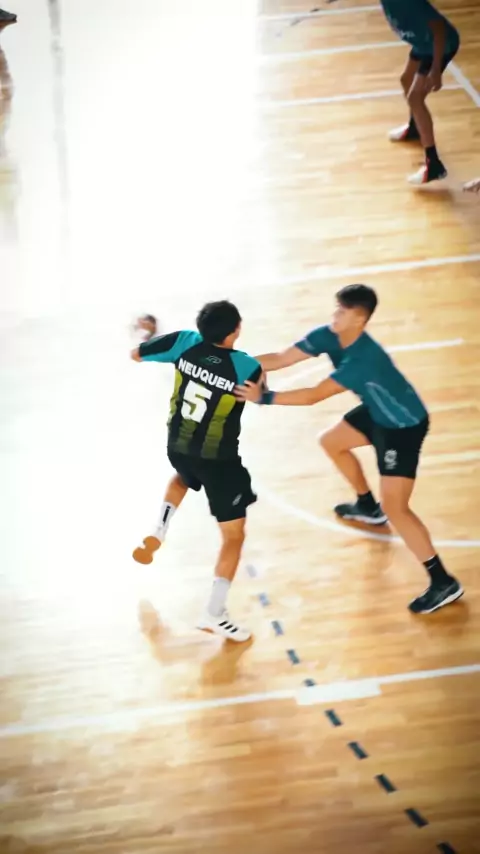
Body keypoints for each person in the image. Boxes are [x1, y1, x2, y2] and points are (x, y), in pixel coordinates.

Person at [235, 284, 464, 615]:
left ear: (359, 319)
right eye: (336, 308)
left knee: (397, 508)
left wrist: (265, 398)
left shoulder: (364, 360)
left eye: (342, 312)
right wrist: (231, 365)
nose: (335, 316)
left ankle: (443, 582)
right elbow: (283, 358)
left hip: (402, 427)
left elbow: (314, 395)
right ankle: (368, 507)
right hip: (376, 412)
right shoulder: (329, 335)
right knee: (332, 441)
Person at [130, 301, 262, 642]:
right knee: (234, 537)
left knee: (184, 477)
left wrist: (150, 335)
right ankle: (214, 613)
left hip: (178, 446)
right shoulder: (246, 366)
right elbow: (260, 391)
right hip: (220, 463)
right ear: (235, 331)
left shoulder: (184, 342)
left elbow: (137, 354)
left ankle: (159, 529)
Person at [379, 0, 460, 185]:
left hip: (440, 45)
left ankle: (434, 165)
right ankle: (415, 127)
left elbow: (439, 29)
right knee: (406, 80)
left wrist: (436, 70)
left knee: (415, 98)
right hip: (423, 42)